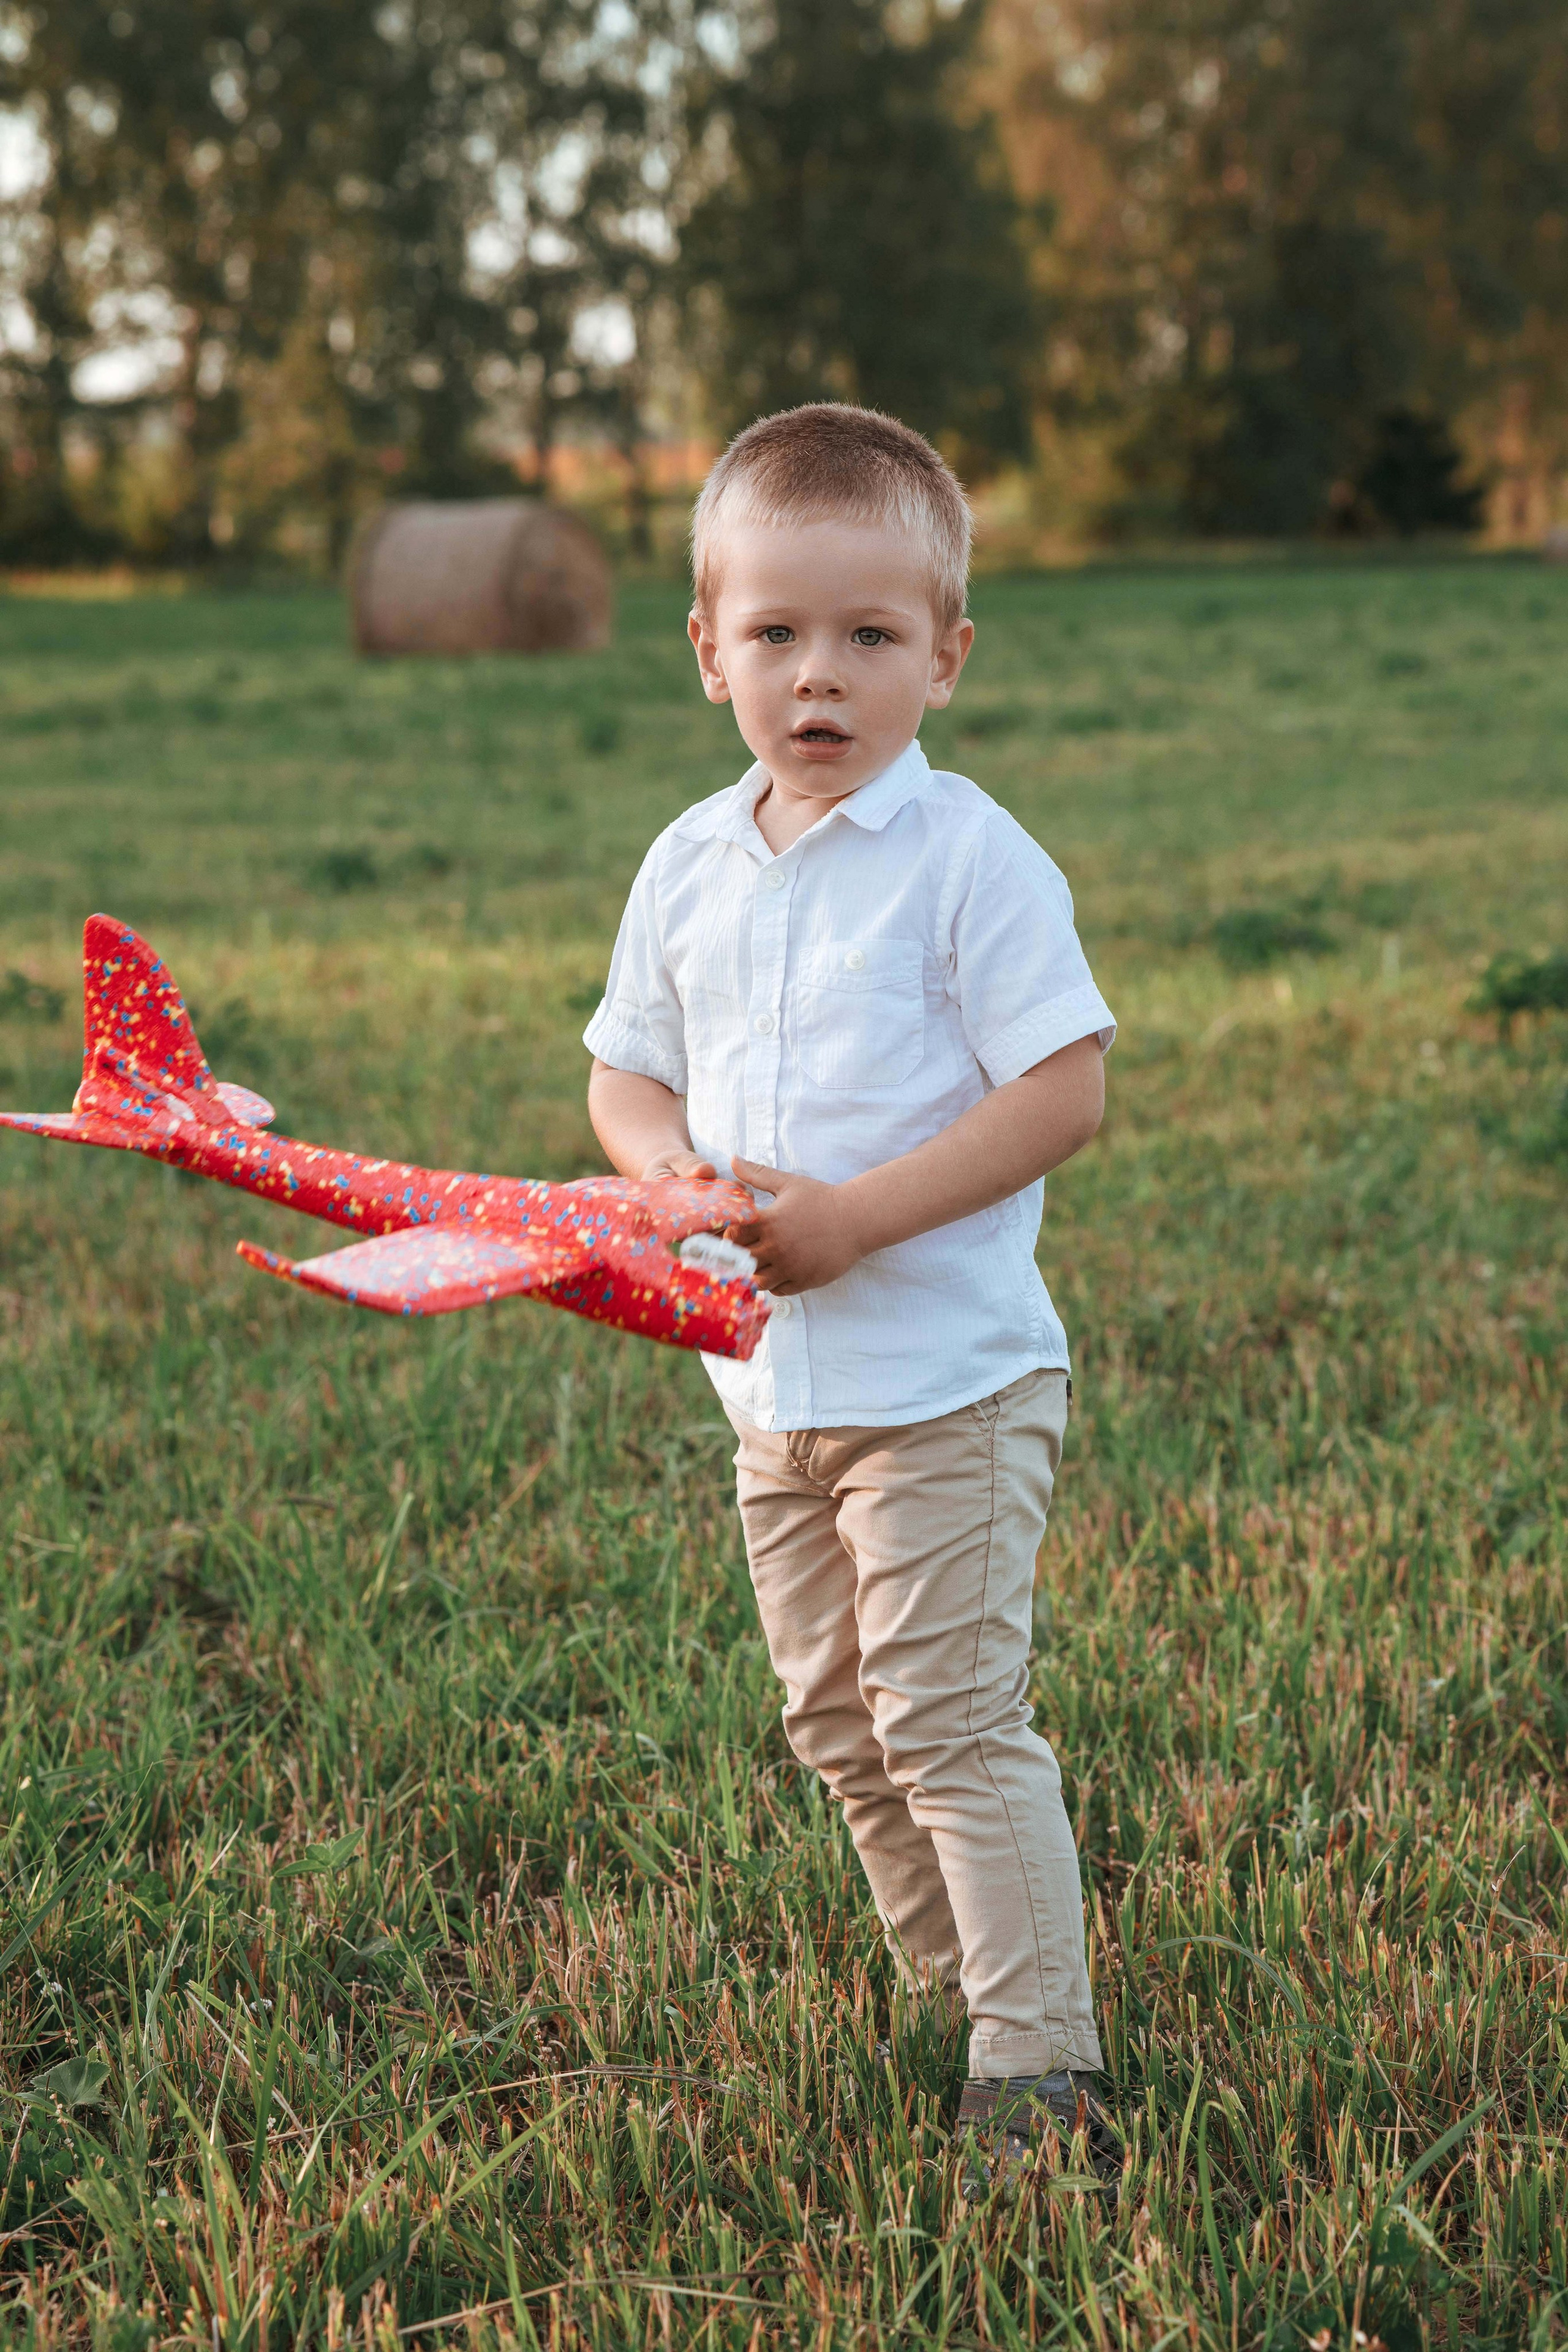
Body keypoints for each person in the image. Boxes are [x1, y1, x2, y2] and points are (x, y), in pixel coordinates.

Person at [583, 402, 1118, 2185]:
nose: (822, 678)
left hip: (946, 1383)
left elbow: (1063, 1093)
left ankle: (1037, 2069)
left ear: (947, 656)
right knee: (831, 1714)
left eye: (873, 637)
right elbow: (628, 1075)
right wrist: (663, 1174)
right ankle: (967, 1977)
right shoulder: (687, 863)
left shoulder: (973, 861)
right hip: (768, 1394)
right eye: (779, 635)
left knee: (948, 1711)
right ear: (708, 650)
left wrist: (855, 1222)